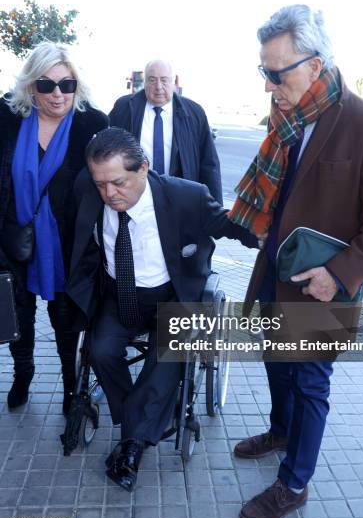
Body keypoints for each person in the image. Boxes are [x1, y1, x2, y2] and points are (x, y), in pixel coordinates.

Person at [227, 4, 363, 518]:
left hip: (322, 289)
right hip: (273, 278)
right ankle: (280, 430)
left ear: (315, 64)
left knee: (310, 384)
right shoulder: (287, 117)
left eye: (275, 73)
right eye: (263, 71)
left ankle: (295, 482)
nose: (268, 85)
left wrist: (340, 274)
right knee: (275, 363)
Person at [65, 127, 257, 492]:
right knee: (100, 350)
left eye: (118, 182)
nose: (108, 193)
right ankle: (137, 416)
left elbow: (229, 224)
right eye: (100, 183)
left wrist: (267, 233)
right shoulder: (88, 189)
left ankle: (133, 444)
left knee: (168, 354)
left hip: (173, 296)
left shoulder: (186, 196)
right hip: (119, 293)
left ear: (143, 168)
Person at [0, 41, 108, 415]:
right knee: (17, 315)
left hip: (69, 244)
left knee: (65, 319)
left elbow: (115, 182)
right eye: (46, 85)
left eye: (67, 84)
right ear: (31, 86)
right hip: (13, 238)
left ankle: (69, 384)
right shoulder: (7, 119)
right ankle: (22, 373)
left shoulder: (92, 124)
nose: (58, 93)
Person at [108, 58, 223, 203]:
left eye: (164, 80)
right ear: (145, 82)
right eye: (152, 80)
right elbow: (106, 152)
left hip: (180, 199)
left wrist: (215, 208)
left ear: (174, 82)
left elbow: (209, 165)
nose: (158, 87)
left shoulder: (194, 113)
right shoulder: (124, 108)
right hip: (135, 198)